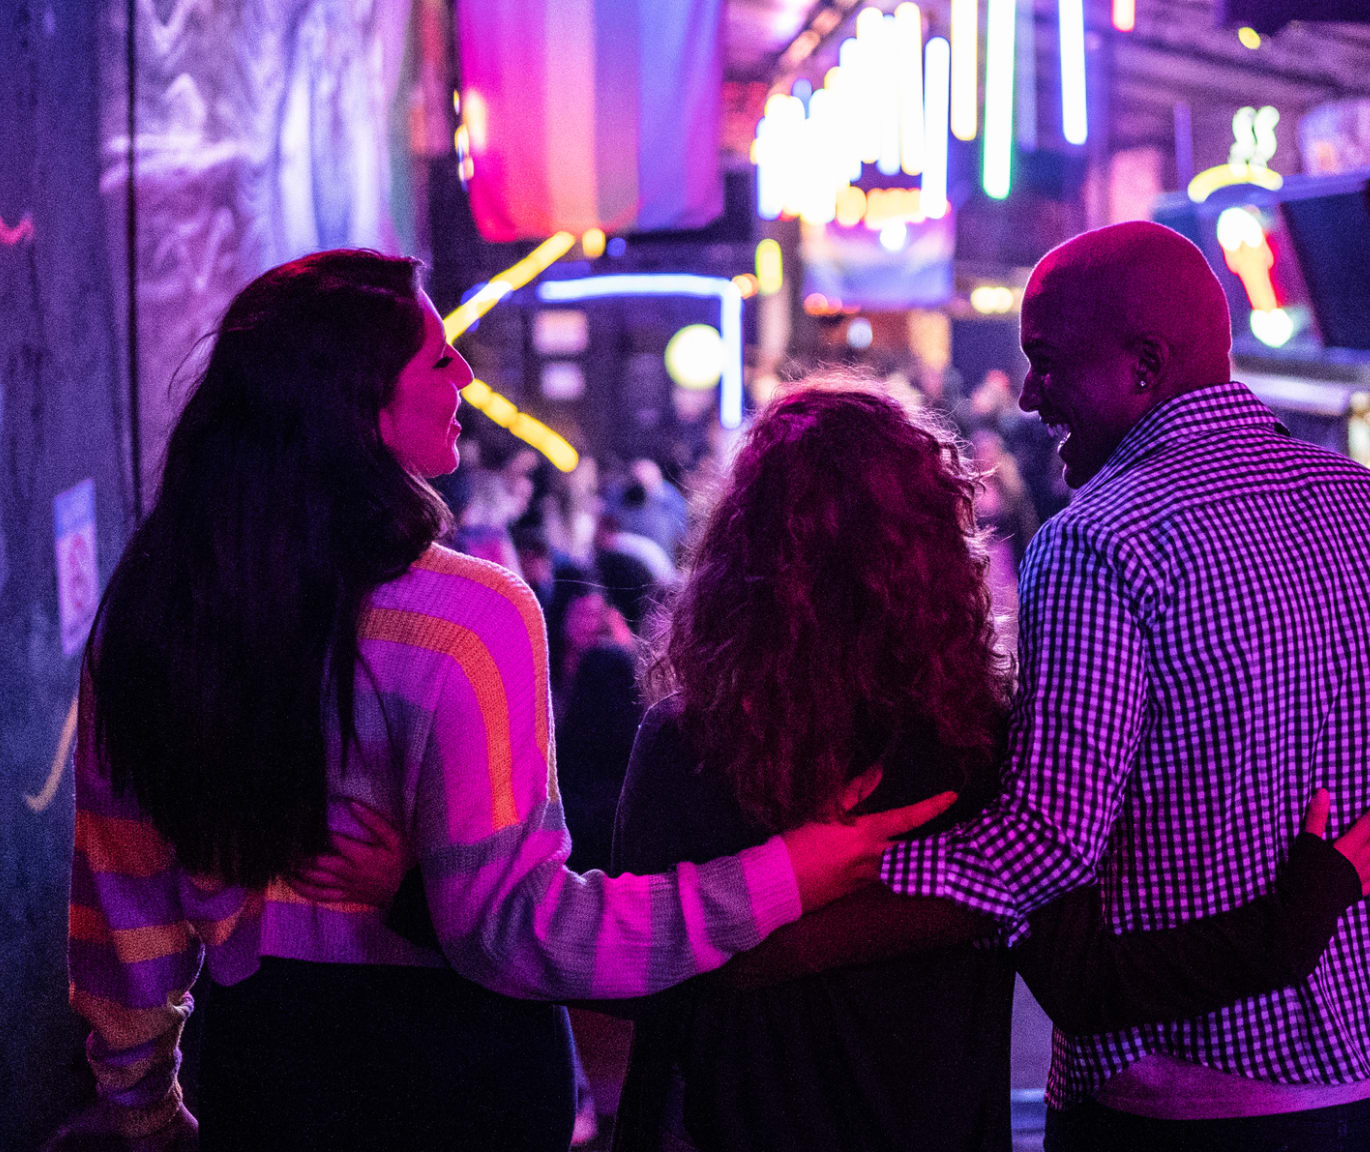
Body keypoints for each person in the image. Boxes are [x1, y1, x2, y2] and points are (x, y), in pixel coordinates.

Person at [66, 251, 948, 1151]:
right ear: (359, 403)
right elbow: (519, 935)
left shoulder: (152, 613)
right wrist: (793, 872)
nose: (466, 375)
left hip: (264, 1067)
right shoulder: (468, 619)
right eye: (438, 358)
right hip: (456, 1072)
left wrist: (144, 1112)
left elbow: (121, 904)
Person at [605, 382, 1370, 1152]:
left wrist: (768, 940)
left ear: (740, 544)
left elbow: (635, 975)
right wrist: (1299, 913)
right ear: (931, 547)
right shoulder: (975, 744)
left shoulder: (689, 740)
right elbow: (1088, 985)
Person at [879, 222, 1370, 1151]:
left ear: (1146, 366)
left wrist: (839, 874)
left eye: (1048, 362)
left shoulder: (1101, 542)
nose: (1032, 396)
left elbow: (1048, 841)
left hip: (1201, 1089)